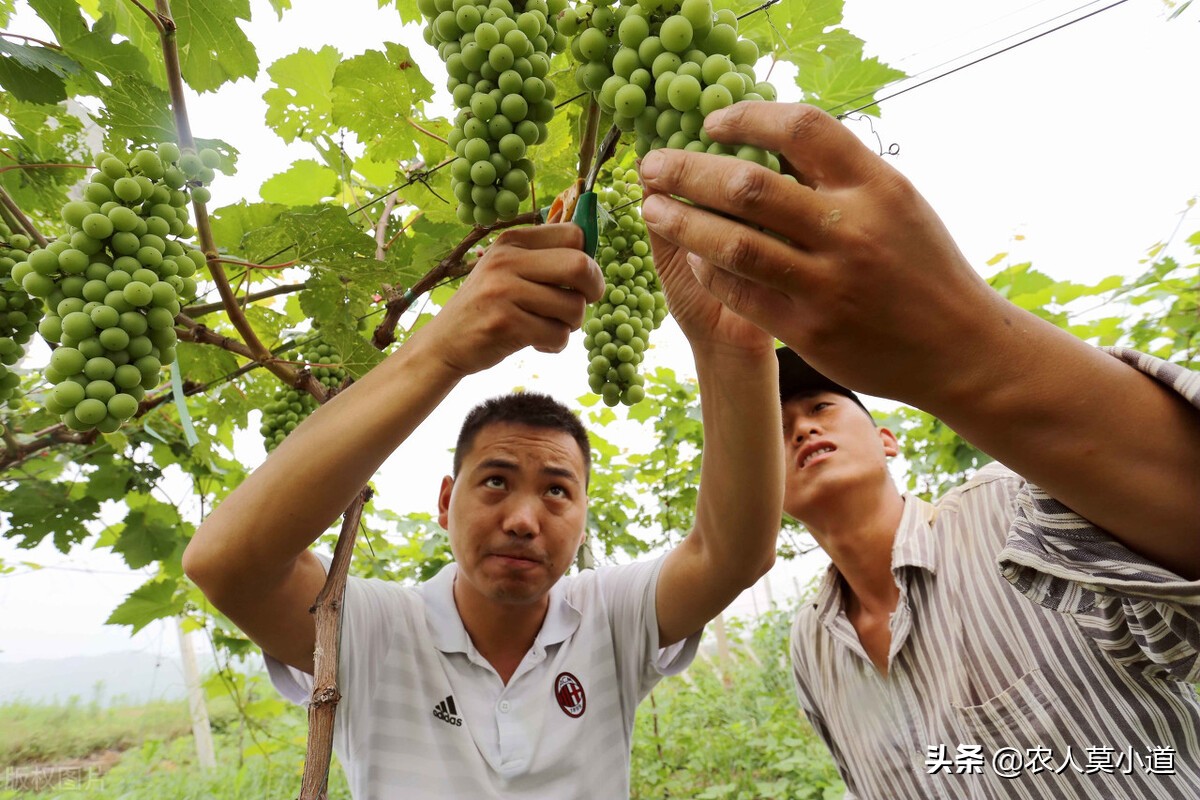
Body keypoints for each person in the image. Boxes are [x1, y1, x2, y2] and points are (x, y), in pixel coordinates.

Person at [635, 101, 1200, 798]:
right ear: (767, 491)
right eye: (779, 431)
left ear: (887, 438)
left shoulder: (1015, 511)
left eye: (821, 407)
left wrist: (962, 344)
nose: (804, 429)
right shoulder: (811, 648)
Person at [181, 222, 784, 798]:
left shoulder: (611, 620)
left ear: (583, 515)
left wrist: (734, 348)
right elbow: (225, 563)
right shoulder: (371, 632)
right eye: (495, 481)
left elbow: (732, 554)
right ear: (446, 502)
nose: (523, 520)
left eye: (556, 491)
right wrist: (440, 351)